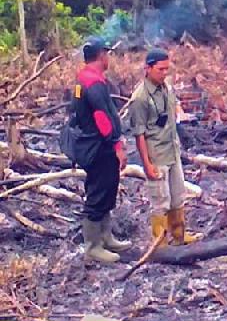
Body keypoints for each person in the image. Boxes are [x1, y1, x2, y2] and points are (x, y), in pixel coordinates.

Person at [129, 49, 201, 246]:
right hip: (156, 155)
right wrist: (147, 164)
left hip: (172, 151)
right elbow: (139, 134)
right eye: (160, 69)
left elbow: (173, 110)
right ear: (148, 68)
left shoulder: (166, 88)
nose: (164, 73)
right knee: (160, 202)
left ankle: (179, 236)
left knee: (178, 196)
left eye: (167, 69)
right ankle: (159, 244)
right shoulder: (140, 98)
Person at [73, 36, 131, 263]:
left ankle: (106, 237)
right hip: (100, 148)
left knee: (107, 189)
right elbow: (102, 118)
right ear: (100, 55)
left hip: (93, 145)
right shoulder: (93, 84)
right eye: (107, 53)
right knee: (98, 193)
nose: (109, 57)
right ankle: (93, 246)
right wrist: (117, 145)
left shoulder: (83, 79)